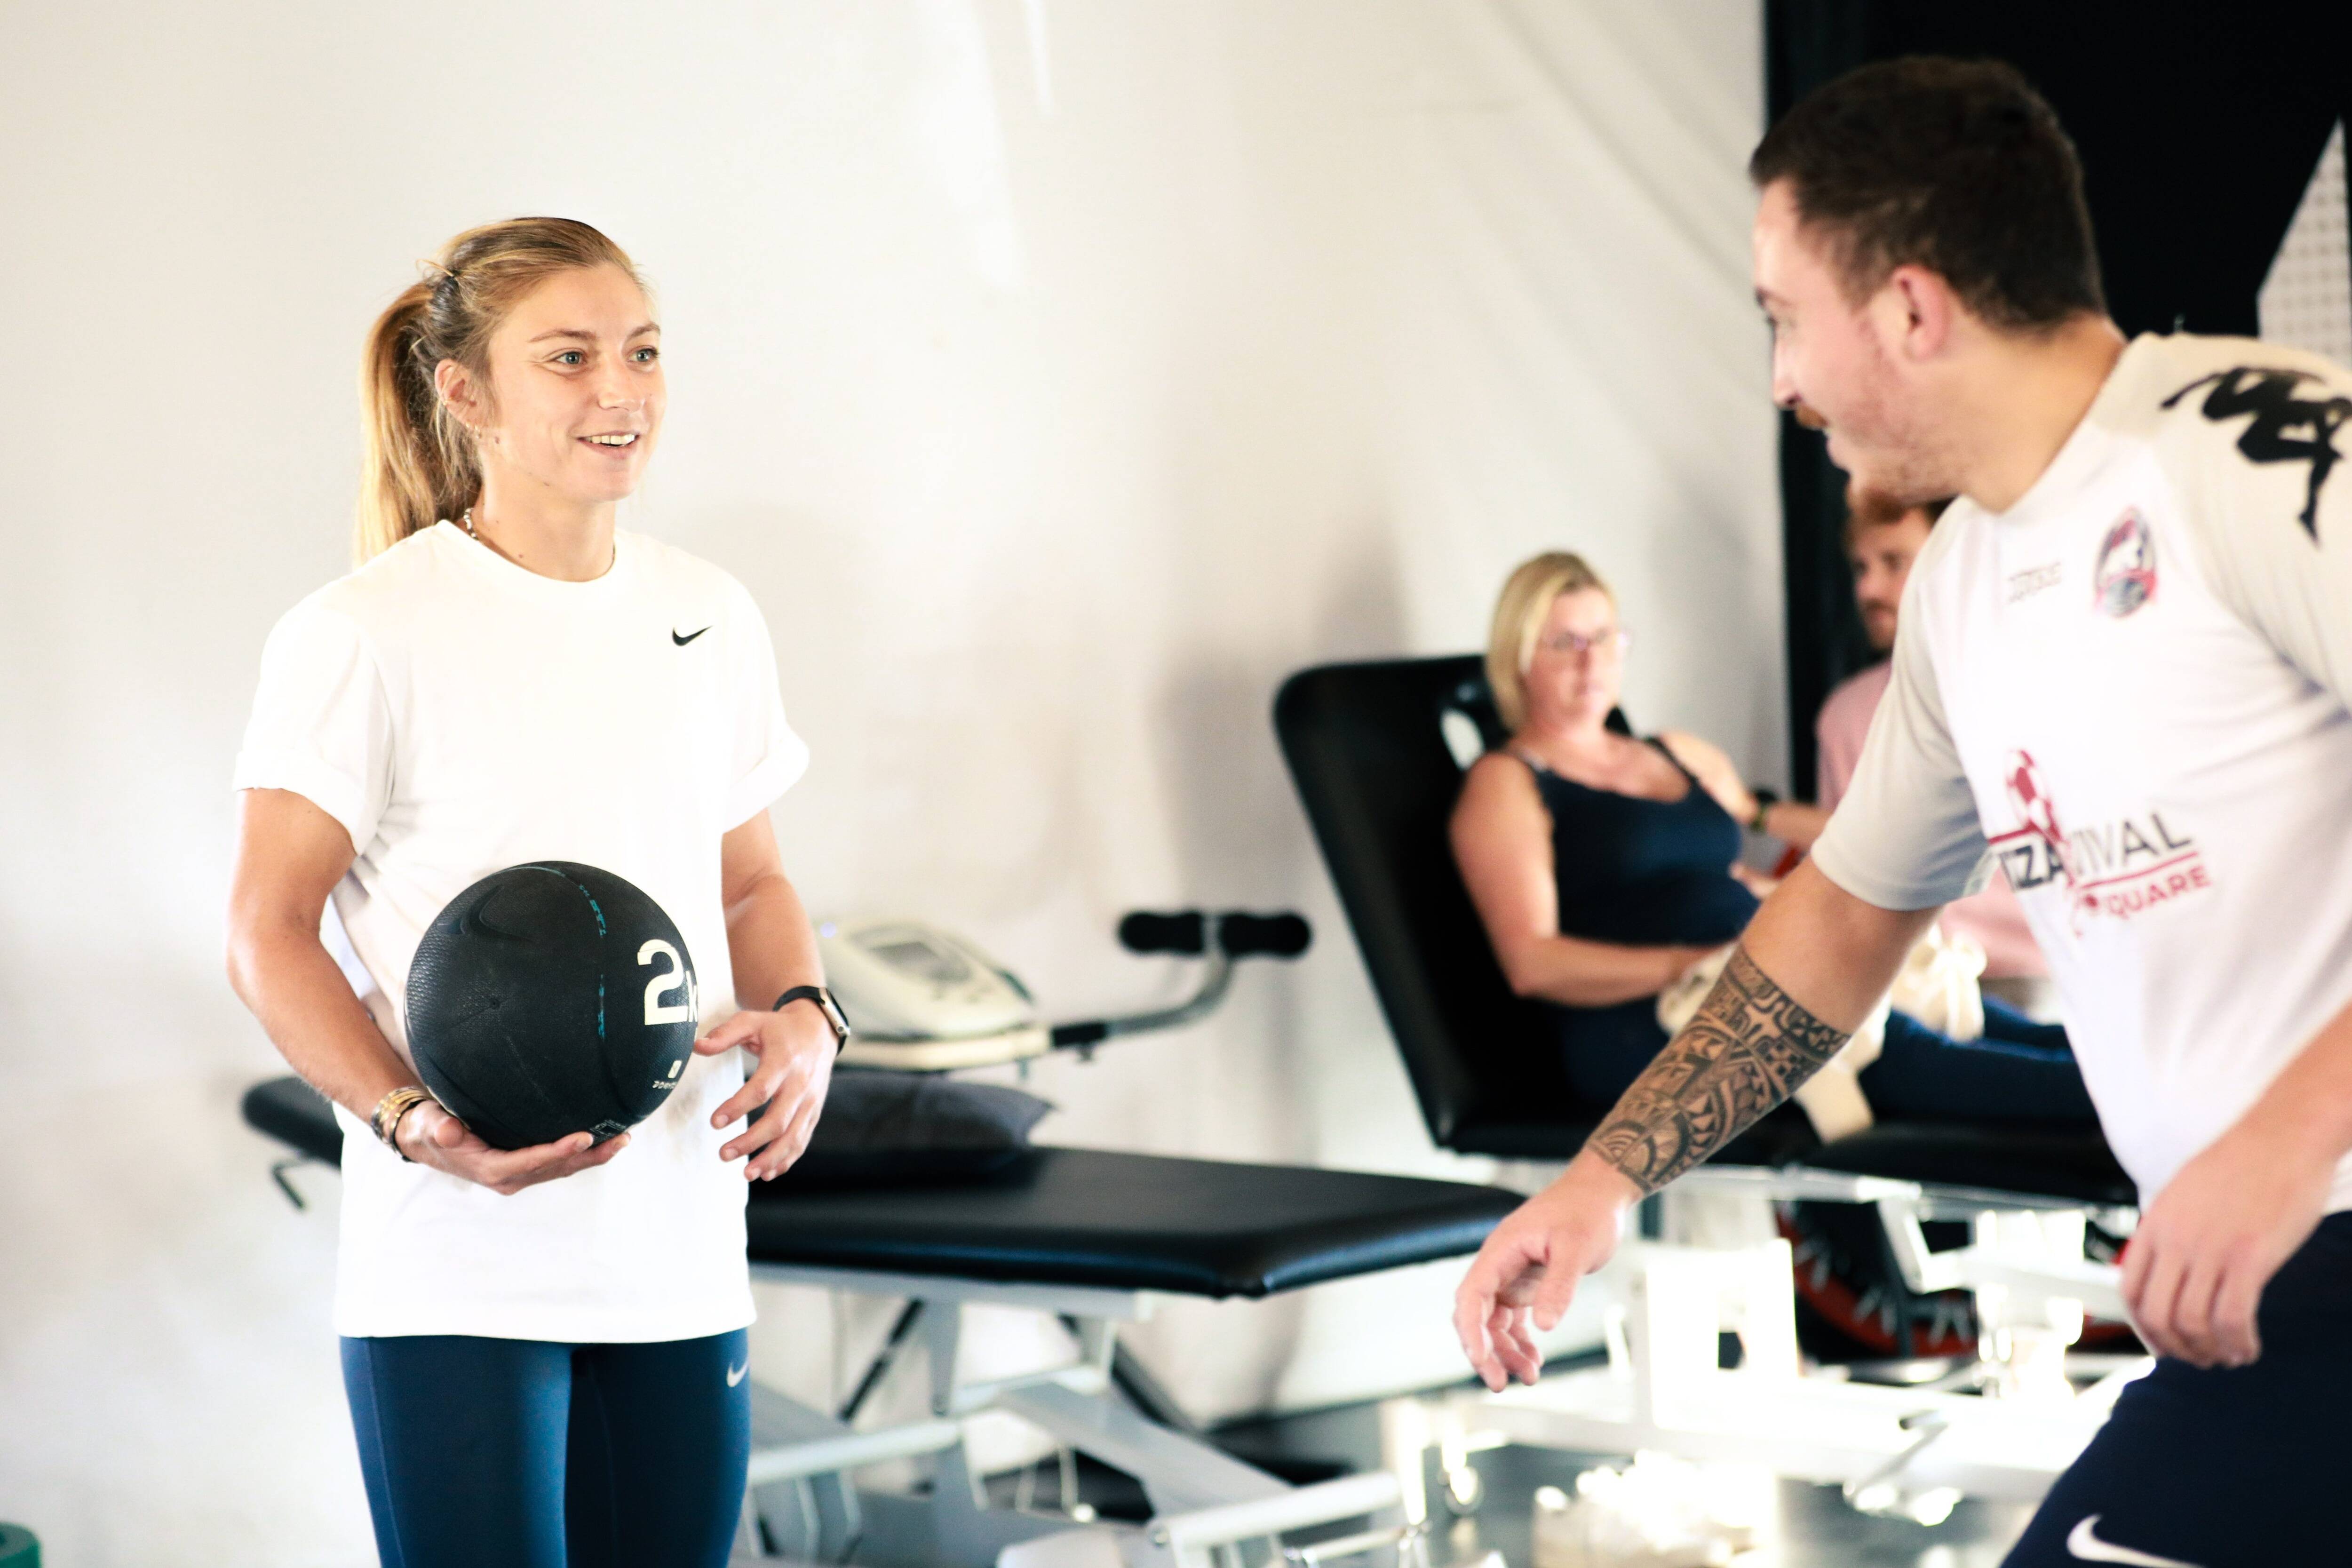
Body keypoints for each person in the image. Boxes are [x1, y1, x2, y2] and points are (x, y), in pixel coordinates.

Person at [1454, 57, 2352, 1568]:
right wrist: (1606, 1174)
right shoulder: (1960, 583)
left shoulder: (2251, 445)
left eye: (1782, 318)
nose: (1779, 381)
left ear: (1912, 308)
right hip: (2268, 1282)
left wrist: (2281, 1142)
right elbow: (1848, 914)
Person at [224, 218, 843, 1568]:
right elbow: (268, 934)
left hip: (677, 1242)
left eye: (642, 352)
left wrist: (807, 1014)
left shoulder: (710, 614)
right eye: (567, 358)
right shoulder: (361, 633)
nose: (618, 390)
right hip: (459, 1259)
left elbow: (754, 881)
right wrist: (410, 1119)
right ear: (466, 394)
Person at [1450, 549, 2093, 1126]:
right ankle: (2144, 1124)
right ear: (1519, 657)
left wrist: (1793, 916)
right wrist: (1693, 963)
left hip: (1764, 976)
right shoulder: (1507, 783)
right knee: (1906, 1053)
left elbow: (1727, 879)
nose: (1591, 659)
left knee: (1984, 1021)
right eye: (1565, 641)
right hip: (1653, 1022)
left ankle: (2166, 1093)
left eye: (1603, 636)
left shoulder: (1677, 752)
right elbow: (1534, 963)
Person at [1820, 486, 2058, 1019]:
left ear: (1954, 559)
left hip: (2031, 975)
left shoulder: (2031, 680)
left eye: (1893, 562)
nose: (1870, 589)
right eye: (1860, 568)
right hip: (1903, 984)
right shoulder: (1844, 714)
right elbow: (1846, 870)